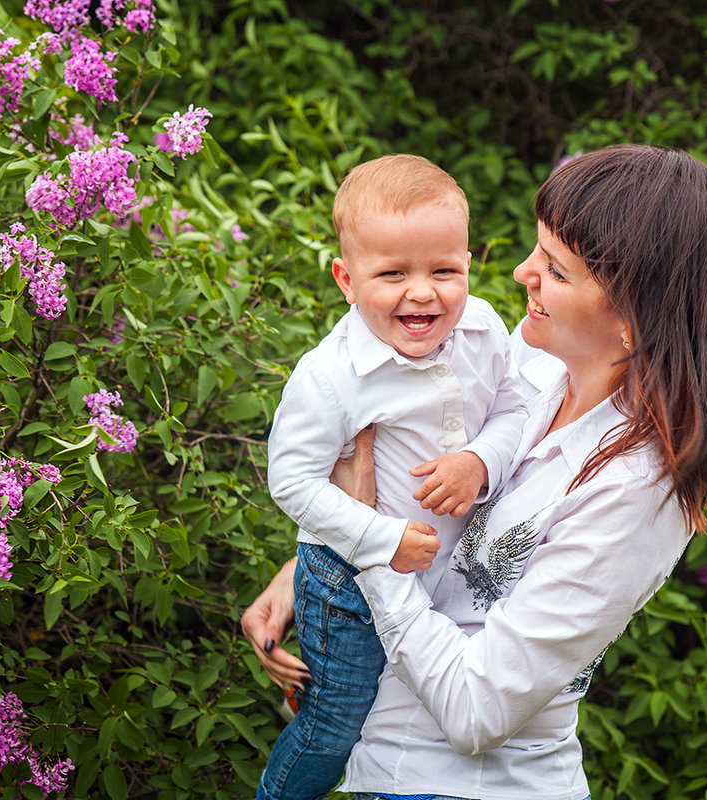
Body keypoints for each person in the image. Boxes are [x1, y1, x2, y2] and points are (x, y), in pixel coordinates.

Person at [243, 144, 707, 800]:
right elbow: (419, 486)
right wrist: (314, 564)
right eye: (537, 251)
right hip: (381, 763)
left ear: (632, 321)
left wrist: (371, 555)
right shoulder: (532, 365)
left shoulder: (637, 490)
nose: (519, 274)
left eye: (556, 271)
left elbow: (476, 711)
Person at [256, 154, 529, 800]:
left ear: (469, 265)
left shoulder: (485, 331)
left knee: (395, 706)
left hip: (437, 583)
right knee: (337, 722)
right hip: (348, 580)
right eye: (392, 274)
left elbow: (516, 407)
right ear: (346, 280)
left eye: (444, 270)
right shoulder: (332, 377)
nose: (422, 292)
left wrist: (479, 460)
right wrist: (381, 540)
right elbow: (292, 482)